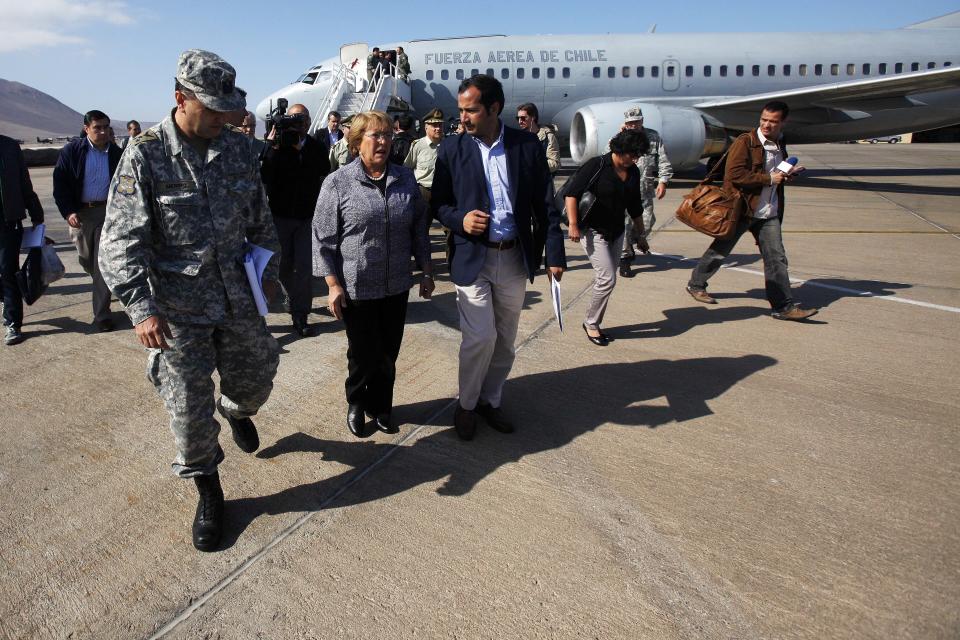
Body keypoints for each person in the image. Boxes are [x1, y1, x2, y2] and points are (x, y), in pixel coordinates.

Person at [99, 49, 282, 552]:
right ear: (180, 99)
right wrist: (140, 308)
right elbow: (119, 241)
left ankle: (238, 410)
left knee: (258, 378)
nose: (224, 118)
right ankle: (209, 488)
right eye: (212, 108)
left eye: (228, 108)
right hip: (177, 311)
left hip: (238, 297)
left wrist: (269, 275)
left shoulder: (240, 150)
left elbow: (259, 218)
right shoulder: (147, 153)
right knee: (187, 410)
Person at [432, 74, 566, 441]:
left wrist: (555, 254)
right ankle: (466, 404)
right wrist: (460, 219)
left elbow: (546, 207)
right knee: (480, 337)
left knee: (505, 339)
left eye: (470, 110)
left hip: (513, 258)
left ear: (493, 108)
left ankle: (491, 401)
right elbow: (439, 206)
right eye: (460, 110)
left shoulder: (527, 147)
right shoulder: (451, 150)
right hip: (472, 258)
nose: (463, 118)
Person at [313, 110, 434, 438]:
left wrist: (425, 270)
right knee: (363, 353)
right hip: (357, 286)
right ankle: (356, 401)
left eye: (386, 135)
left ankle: (382, 407)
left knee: (388, 353)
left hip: (396, 284)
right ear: (356, 143)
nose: (383, 141)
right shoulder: (337, 183)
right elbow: (323, 238)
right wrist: (332, 284)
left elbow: (419, 229)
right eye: (375, 136)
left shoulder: (405, 179)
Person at [686, 100, 818, 321]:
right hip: (743, 209)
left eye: (773, 121)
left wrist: (787, 174)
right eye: (764, 119)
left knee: (776, 258)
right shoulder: (745, 142)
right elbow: (734, 175)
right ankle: (696, 284)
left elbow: (775, 173)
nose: (767, 125)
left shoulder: (779, 143)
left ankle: (783, 307)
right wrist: (769, 179)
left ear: (783, 122)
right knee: (720, 250)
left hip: (769, 212)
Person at [566, 130, 648, 346]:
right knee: (607, 279)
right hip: (593, 230)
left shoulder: (633, 172)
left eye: (638, 155)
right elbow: (572, 193)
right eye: (632, 154)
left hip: (617, 231)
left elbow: (635, 206)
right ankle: (591, 324)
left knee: (608, 280)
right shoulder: (597, 165)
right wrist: (573, 224)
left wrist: (641, 234)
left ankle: (593, 321)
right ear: (620, 149)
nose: (635, 159)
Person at [260, 103, 328, 336]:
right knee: (283, 266)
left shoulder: (317, 148)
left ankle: (301, 314)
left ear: (309, 122)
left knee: (304, 267)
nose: (299, 123)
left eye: (303, 119)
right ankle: (290, 296)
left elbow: (324, 170)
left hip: (307, 217)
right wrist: (272, 146)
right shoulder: (278, 147)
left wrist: (301, 152)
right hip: (280, 216)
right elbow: (264, 174)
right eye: (294, 119)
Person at [53, 109, 123, 331]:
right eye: (97, 128)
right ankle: (102, 286)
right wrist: (68, 211)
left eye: (106, 127)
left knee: (101, 263)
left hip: (107, 213)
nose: (102, 132)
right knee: (87, 260)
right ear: (86, 129)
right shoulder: (72, 151)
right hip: (80, 215)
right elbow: (60, 185)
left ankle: (101, 315)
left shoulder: (117, 154)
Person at [618, 106, 673, 277]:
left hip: (645, 191)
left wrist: (663, 181)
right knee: (625, 225)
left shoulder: (653, 138)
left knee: (647, 222)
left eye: (637, 122)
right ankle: (625, 259)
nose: (633, 125)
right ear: (625, 124)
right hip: (624, 191)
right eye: (630, 123)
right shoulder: (620, 138)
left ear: (642, 121)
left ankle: (633, 243)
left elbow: (663, 161)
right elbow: (608, 156)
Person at [0, 135, 44, 346]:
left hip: (8, 223)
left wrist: (36, 212)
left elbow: (23, 181)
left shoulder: (9, 147)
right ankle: (5, 303)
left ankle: (13, 322)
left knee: (8, 272)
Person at [403, 108, 444, 205]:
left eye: (440, 125)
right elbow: (407, 168)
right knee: (423, 220)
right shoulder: (418, 145)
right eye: (434, 125)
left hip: (443, 191)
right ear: (426, 127)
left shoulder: (447, 145)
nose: (438, 128)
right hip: (423, 192)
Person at [516, 103, 560, 175]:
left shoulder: (548, 137)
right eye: (518, 118)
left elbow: (555, 163)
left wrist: (532, 166)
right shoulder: (518, 138)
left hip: (541, 183)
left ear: (533, 117)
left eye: (523, 118)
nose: (520, 121)